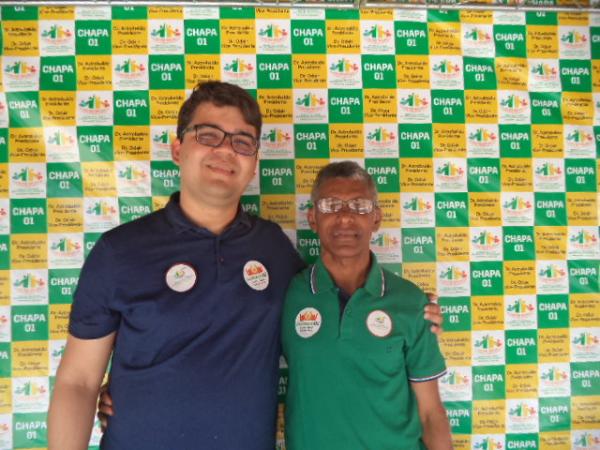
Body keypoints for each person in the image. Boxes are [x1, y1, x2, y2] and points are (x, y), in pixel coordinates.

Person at [49, 81, 444, 449]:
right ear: (177, 148)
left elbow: (339, 300)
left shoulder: (274, 248)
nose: (224, 150)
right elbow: (79, 382)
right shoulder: (120, 250)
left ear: (254, 163)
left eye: (242, 142)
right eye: (208, 135)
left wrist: (414, 310)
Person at [281, 161, 452, 450]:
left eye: (359, 206)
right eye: (331, 205)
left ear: (376, 219)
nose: (345, 217)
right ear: (312, 219)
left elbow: (430, 413)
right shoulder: (286, 294)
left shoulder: (411, 302)